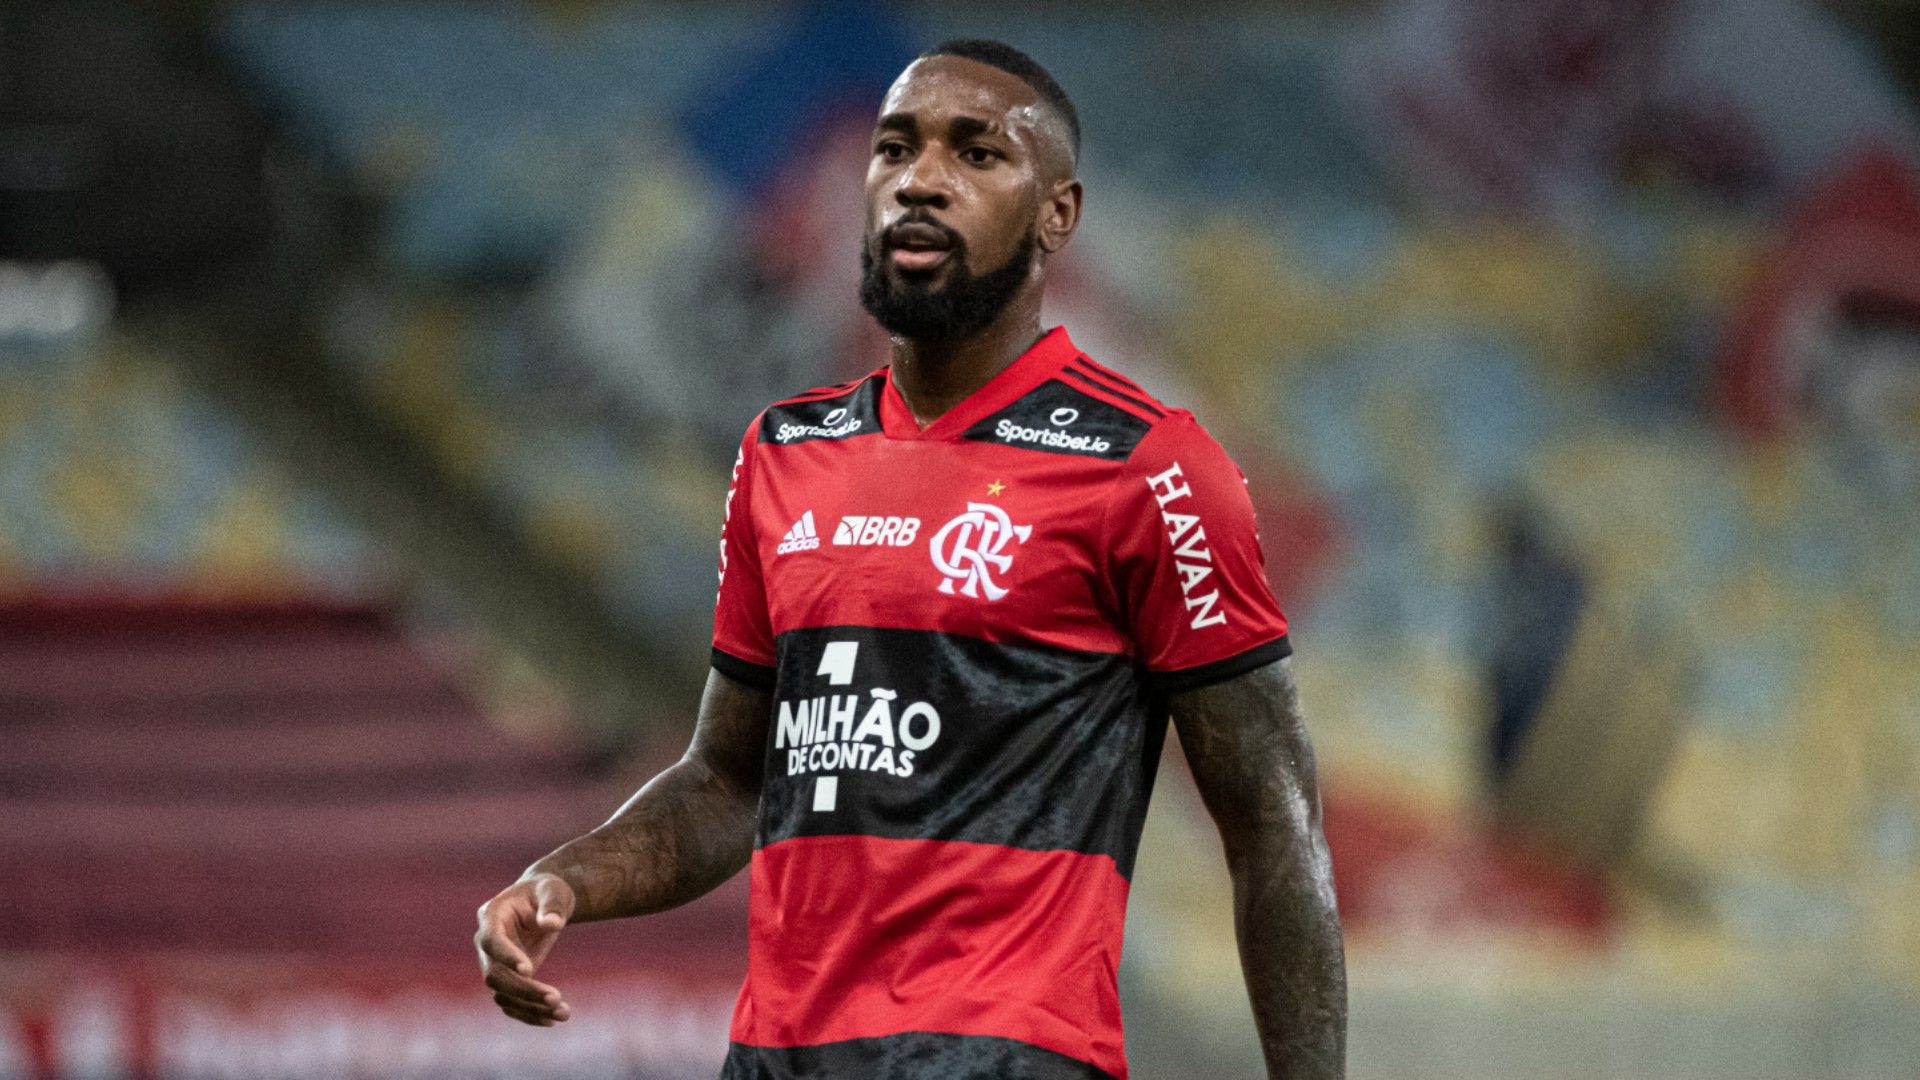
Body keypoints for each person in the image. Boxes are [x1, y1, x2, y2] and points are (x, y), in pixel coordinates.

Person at [476, 39, 1346, 1080]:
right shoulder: (784, 456)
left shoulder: (1150, 467)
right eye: (894, 149)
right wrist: (568, 880)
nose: (920, 178)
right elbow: (726, 784)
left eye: (976, 155)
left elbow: (1270, 820)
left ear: (1057, 218)